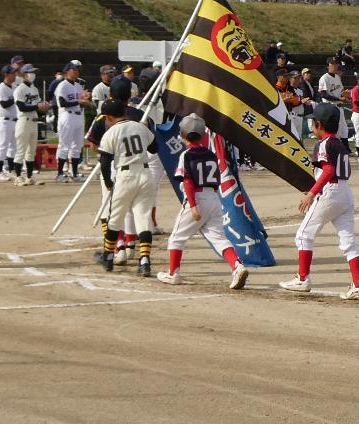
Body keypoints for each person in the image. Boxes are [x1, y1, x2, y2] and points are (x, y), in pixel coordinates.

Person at [279, 103, 359, 298]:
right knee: (348, 241)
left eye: (313, 123)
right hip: (345, 192)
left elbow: (328, 170)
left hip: (331, 191)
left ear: (318, 124)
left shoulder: (324, 144)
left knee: (303, 235)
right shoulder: (340, 144)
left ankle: (302, 279)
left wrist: (312, 193)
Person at [158, 114, 249, 289]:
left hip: (197, 198)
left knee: (176, 238)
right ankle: (237, 266)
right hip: (214, 198)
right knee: (219, 238)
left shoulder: (186, 155)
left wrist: (193, 206)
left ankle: (173, 273)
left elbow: (187, 181)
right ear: (203, 135)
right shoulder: (211, 154)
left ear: (183, 135)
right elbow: (215, 180)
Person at [91, 95, 158, 276]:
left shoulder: (111, 133)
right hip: (145, 174)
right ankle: (144, 260)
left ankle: (109, 257)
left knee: (115, 217)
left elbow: (105, 162)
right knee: (143, 218)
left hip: (125, 175)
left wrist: (108, 182)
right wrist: (143, 131)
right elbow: (154, 149)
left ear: (109, 117)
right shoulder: (139, 126)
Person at [53, 60, 87, 181]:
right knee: (64, 145)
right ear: (67, 71)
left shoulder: (78, 86)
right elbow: (62, 103)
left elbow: (81, 104)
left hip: (78, 115)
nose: (77, 72)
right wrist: (78, 101)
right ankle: (60, 173)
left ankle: (75, 173)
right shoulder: (62, 85)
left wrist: (84, 101)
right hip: (67, 116)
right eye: (74, 69)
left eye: (78, 70)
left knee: (77, 146)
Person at [0, 65, 18, 176]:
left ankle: (11, 170)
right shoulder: (0, 88)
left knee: (13, 146)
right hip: (4, 120)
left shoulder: (14, 87)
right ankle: (0, 171)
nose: (15, 75)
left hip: (14, 120)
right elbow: (4, 104)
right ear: (6, 74)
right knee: (2, 146)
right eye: (12, 73)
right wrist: (15, 97)